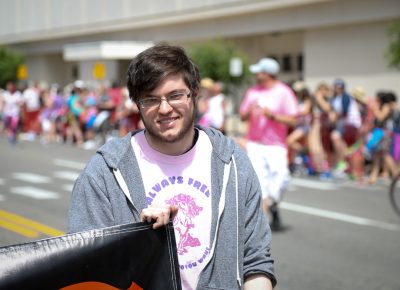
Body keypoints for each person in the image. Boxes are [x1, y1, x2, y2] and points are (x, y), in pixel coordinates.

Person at [68, 44, 276, 290]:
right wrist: (140, 238)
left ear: (195, 93)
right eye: (151, 99)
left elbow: (256, 262)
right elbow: (87, 271)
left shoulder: (232, 162)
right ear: (137, 104)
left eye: (176, 95)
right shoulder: (103, 173)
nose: (165, 108)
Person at [239, 58, 298, 231]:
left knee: (281, 177)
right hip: (255, 144)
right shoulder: (253, 91)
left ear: (267, 73)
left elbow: (293, 119)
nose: (256, 74)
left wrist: (272, 116)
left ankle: (273, 203)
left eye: (259, 71)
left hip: (276, 145)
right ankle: (261, 228)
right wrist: (249, 111)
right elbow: (242, 115)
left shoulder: (284, 92)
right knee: (259, 182)